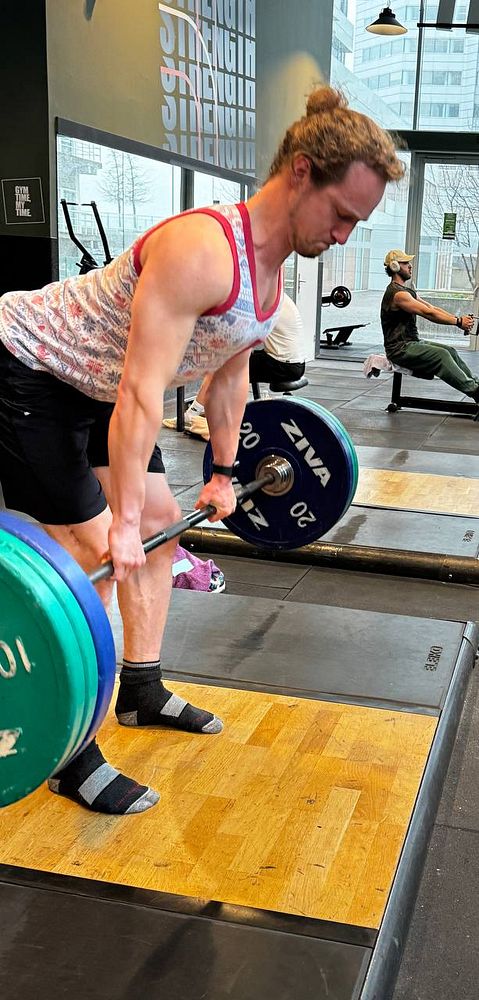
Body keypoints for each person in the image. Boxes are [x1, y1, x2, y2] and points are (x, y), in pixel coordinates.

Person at [0, 84, 404, 815]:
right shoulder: (200, 248)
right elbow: (141, 394)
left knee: (159, 537)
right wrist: (116, 521)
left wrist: (221, 474)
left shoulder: (270, 281)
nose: (345, 236)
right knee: (90, 552)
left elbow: (228, 385)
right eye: (343, 215)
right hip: (32, 367)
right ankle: (69, 753)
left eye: (359, 223)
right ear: (302, 172)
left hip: (96, 389)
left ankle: (141, 687)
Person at [166, 293, 306, 436]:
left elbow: (240, 330)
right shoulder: (277, 295)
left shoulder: (264, 299)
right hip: (294, 363)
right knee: (233, 361)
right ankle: (203, 411)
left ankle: (194, 415)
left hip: (282, 365)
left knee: (221, 367)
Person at [381, 249, 478, 398]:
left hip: (411, 343)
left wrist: (459, 319)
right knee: (441, 355)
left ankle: (475, 384)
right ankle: (475, 392)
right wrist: (458, 322)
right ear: (394, 266)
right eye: (406, 263)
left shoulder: (406, 291)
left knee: (450, 351)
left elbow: (431, 308)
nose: (410, 266)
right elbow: (428, 314)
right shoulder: (397, 295)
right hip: (399, 349)